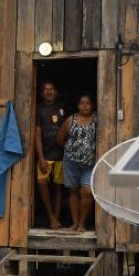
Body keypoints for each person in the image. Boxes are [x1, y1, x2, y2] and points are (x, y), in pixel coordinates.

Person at [57, 94, 97, 232]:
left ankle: (82, 223)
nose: (84, 105)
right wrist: (71, 152)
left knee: (87, 191)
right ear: (78, 105)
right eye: (82, 102)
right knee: (73, 191)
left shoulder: (97, 119)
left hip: (90, 163)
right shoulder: (71, 120)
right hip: (71, 162)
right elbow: (60, 139)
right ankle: (74, 223)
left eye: (87, 103)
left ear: (93, 106)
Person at [35, 80, 66, 229]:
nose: (49, 91)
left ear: (56, 92)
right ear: (41, 93)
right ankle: (51, 216)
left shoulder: (63, 108)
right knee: (42, 183)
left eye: (51, 89)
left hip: (61, 155)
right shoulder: (38, 109)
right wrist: (40, 158)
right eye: (45, 89)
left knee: (58, 187)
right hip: (45, 155)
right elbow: (37, 135)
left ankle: (57, 218)